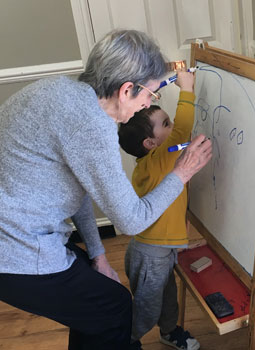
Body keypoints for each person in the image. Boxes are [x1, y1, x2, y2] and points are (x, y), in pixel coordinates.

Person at [0, 29, 211, 350]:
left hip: (18, 235)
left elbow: (78, 190)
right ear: (127, 89)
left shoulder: (55, 89)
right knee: (114, 306)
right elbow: (131, 221)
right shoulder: (90, 124)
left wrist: (98, 256)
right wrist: (182, 172)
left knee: (97, 308)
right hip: (15, 253)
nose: (146, 104)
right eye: (150, 95)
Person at [118, 71, 199, 350]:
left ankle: (169, 331)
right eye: (166, 124)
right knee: (146, 308)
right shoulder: (159, 160)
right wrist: (186, 89)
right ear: (150, 144)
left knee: (166, 297)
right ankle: (126, 340)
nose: (173, 125)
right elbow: (183, 130)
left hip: (157, 251)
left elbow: (177, 135)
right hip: (151, 255)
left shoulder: (151, 163)